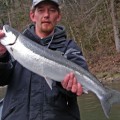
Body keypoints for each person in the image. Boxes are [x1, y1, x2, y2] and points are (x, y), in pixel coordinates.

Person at [0, 0, 88, 120]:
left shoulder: (70, 48)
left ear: (58, 16)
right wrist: (2, 57)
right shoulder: (13, 49)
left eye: (52, 10)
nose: (46, 15)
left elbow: (81, 83)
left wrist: (67, 87)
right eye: (41, 10)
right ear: (32, 15)